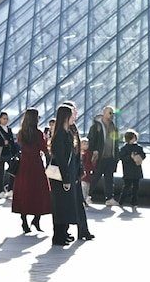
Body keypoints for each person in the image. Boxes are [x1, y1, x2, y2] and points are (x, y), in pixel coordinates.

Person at [50, 102, 93, 246]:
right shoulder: (61, 135)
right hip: (62, 176)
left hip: (68, 174)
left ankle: (62, 234)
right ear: (65, 117)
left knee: (65, 206)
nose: (74, 117)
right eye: (71, 115)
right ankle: (58, 236)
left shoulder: (66, 133)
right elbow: (62, 159)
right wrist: (67, 178)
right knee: (61, 206)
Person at [12, 108, 52, 234]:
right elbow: (44, 148)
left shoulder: (21, 133)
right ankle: (36, 218)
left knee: (24, 192)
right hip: (36, 165)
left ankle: (24, 221)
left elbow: (19, 145)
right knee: (40, 192)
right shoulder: (38, 133)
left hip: (24, 165)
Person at [86, 106, 121, 203]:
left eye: (112, 113)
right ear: (104, 113)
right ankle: (87, 195)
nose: (112, 115)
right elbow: (91, 140)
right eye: (110, 113)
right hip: (99, 157)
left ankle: (109, 198)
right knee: (95, 177)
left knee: (109, 179)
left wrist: (116, 157)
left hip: (110, 157)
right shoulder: (96, 127)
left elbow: (116, 143)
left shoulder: (114, 127)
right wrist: (93, 151)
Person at [118, 129, 146, 209]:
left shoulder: (138, 148)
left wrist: (139, 157)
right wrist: (131, 157)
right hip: (129, 170)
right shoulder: (124, 149)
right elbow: (122, 157)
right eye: (133, 137)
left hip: (134, 170)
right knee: (127, 186)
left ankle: (134, 201)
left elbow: (143, 155)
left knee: (136, 187)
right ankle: (122, 200)